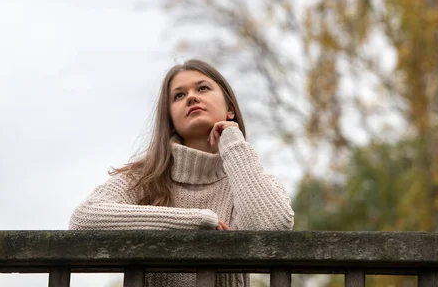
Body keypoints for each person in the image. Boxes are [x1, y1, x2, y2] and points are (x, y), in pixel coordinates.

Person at [69, 58, 294, 286]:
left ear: (230, 109)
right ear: (171, 119)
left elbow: (272, 227)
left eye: (203, 88)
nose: (192, 97)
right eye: (179, 95)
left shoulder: (249, 180)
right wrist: (194, 221)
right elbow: (83, 219)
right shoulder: (143, 178)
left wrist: (234, 143)